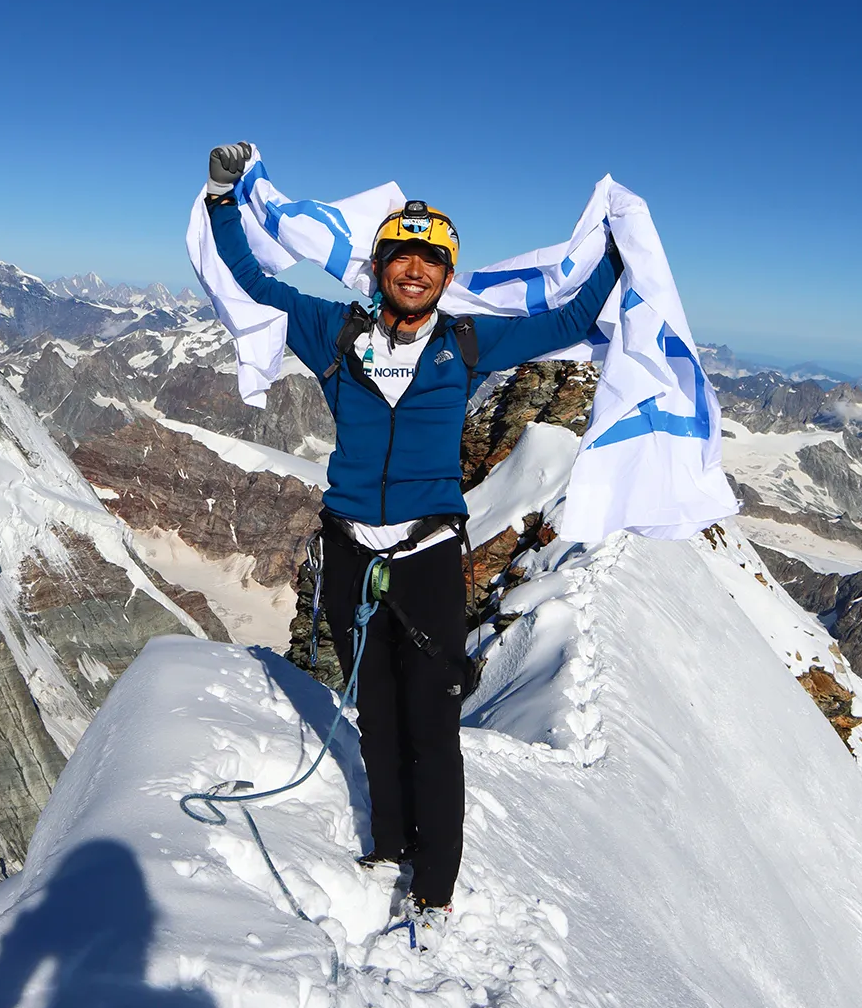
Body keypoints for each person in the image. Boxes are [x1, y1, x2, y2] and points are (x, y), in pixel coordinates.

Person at [204, 142, 622, 927]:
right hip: (350, 549)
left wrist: (617, 258)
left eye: (432, 259)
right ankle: (389, 844)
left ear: (446, 275)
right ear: (382, 265)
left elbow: (565, 318)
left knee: (431, 719)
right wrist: (224, 204)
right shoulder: (331, 332)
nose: (417, 269)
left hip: (428, 554)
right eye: (404, 255)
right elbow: (252, 281)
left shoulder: (467, 343)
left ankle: (435, 882)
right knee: (377, 710)